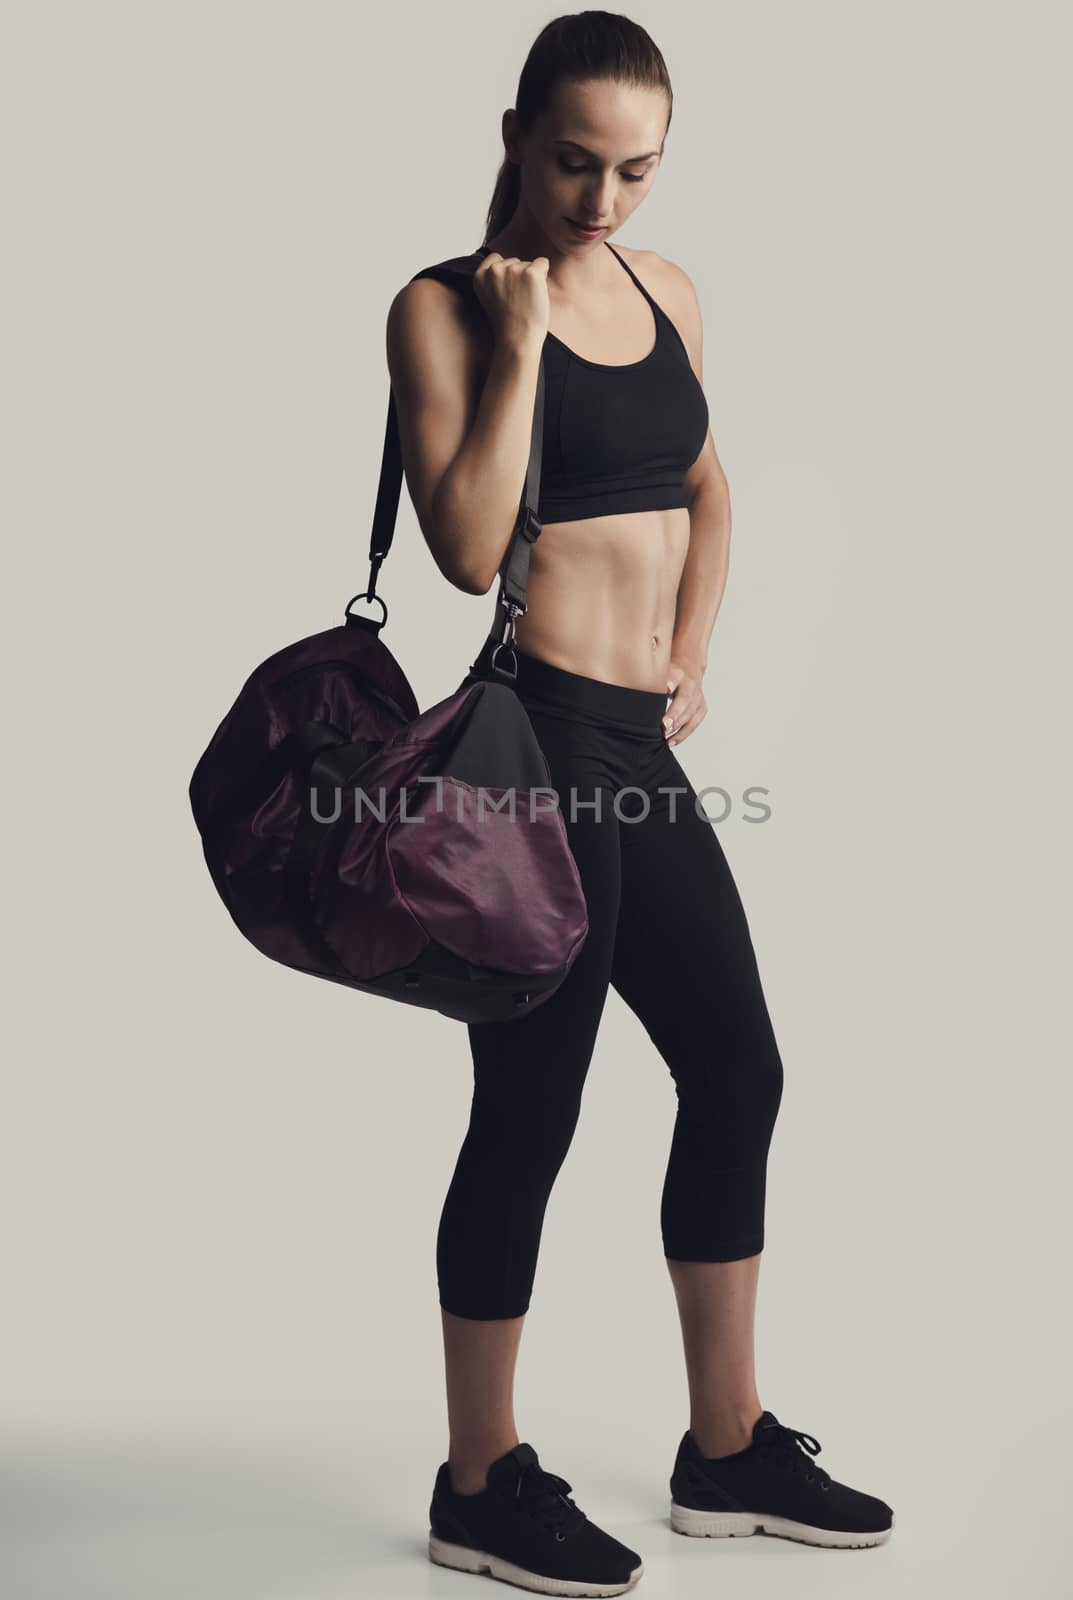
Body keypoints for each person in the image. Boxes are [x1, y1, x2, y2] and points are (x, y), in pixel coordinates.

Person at [386, 13, 894, 1595]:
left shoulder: (668, 290)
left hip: (638, 746)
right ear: (515, 136)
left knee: (735, 1065)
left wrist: (692, 647)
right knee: (528, 1114)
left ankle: (724, 1446)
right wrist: (524, 335)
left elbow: (707, 487)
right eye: (573, 163)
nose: (605, 198)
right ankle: (478, 1481)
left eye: (636, 170)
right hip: (529, 756)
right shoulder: (443, 308)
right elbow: (466, 551)